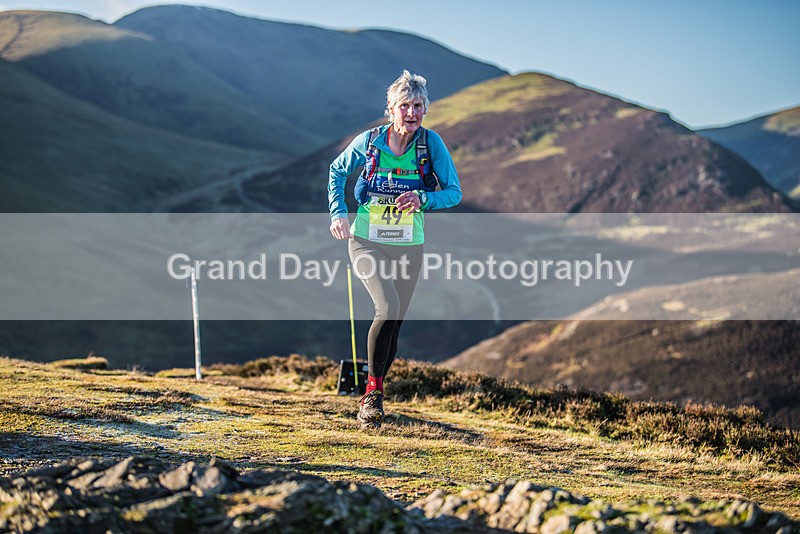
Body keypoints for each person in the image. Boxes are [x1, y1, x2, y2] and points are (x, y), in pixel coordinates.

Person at [328, 70, 462, 429]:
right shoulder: (370, 142)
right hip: (367, 241)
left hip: (408, 246)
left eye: (418, 106)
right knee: (385, 308)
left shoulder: (430, 145)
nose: (412, 113)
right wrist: (338, 213)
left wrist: (422, 197)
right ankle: (371, 396)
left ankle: (377, 388)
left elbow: (453, 192)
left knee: (395, 325)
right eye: (405, 105)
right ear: (391, 108)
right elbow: (336, 172)